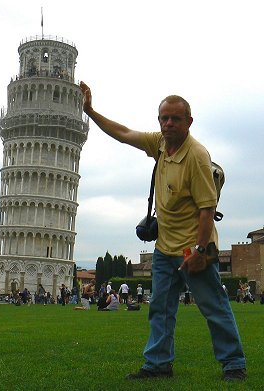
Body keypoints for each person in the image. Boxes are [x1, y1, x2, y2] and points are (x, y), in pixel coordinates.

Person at [80, 82, 246, 381]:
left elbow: (207, 209)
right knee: (160, 309)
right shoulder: (159, 143)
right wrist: (90, 111)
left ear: (189, 122)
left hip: (191, 248)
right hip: (163, 249)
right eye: (163, 118)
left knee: (213, 307)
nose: (168, 124)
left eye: (175, 119)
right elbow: (124, 133)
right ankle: (158, 364)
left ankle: (234, 365)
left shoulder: (196, 156)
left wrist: (198, 252)